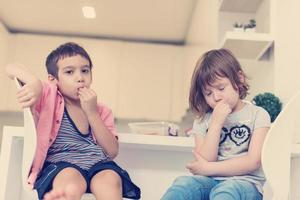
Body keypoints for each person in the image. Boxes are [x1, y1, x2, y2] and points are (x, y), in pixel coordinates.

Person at [6, 42, 140, 200]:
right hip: (62, 164)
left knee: (110, 179)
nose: (80, 78)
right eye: (69, 72)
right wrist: (35, 83)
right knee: (70, 181)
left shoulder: (102, 110)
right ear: (53, 79)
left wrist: (92, 113)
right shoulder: (48, 95)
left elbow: (112, 152)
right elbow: (11, 67)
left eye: (85, 70)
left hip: (98, 163)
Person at [161, 48, 270, 200]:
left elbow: (253, 162)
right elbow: (205, 159)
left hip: (245, 183)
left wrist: (208, 168)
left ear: (239, 79)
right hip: (210, 181)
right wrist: (216, 124)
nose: (216, 97)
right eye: (208, 93)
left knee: (226, 191)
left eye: (221, 88)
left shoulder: (258, 114)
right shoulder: (202, 121)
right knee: (182, 186)